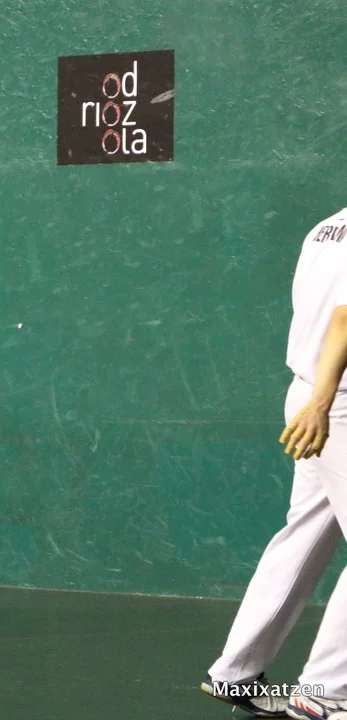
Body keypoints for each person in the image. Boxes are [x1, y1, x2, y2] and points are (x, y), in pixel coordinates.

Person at [201, 205, 347, 719]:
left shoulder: (328, 225)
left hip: (310, 393)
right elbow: (345, 318)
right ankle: (325, 693)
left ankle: (234, 673)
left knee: (305, 533)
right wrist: (323, 405)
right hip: (334, 402)